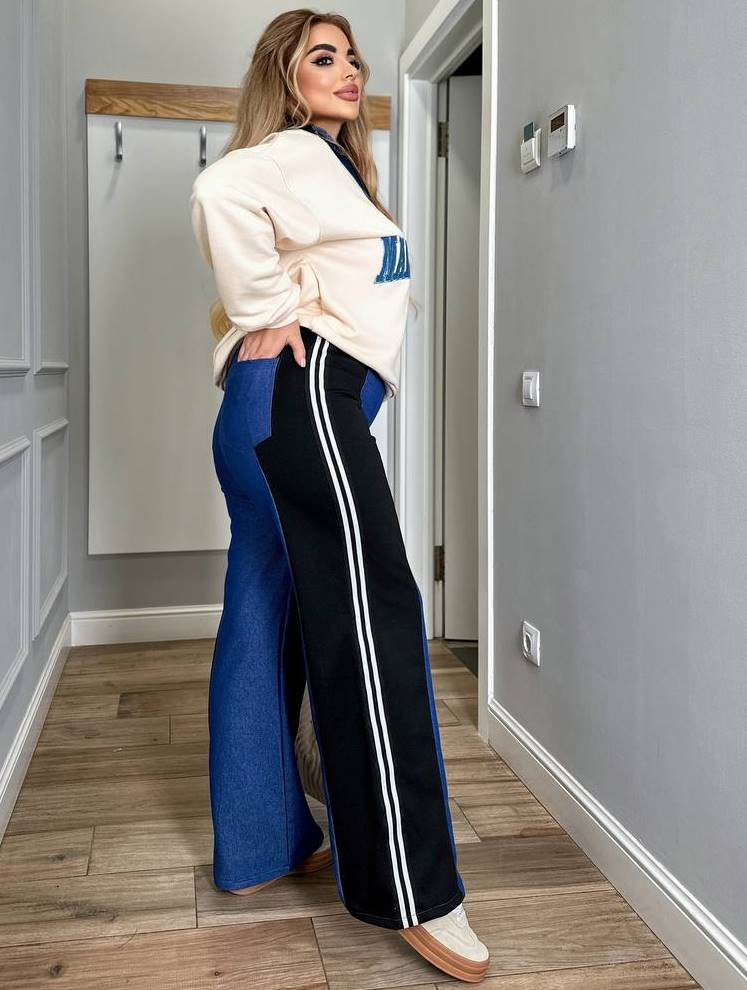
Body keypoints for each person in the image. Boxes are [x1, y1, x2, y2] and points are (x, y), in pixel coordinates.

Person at [189, 9, 490, 983]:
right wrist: (270, 310)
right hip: (304, 396)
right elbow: (218, 187)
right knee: (375, 611)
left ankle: (260, 844)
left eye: (353, 57)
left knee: (261, 613)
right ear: (286, 76)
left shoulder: (331, 168)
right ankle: (415, 887)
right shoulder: (292, 154)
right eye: (324, 57)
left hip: (256, 412)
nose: (350, 70)